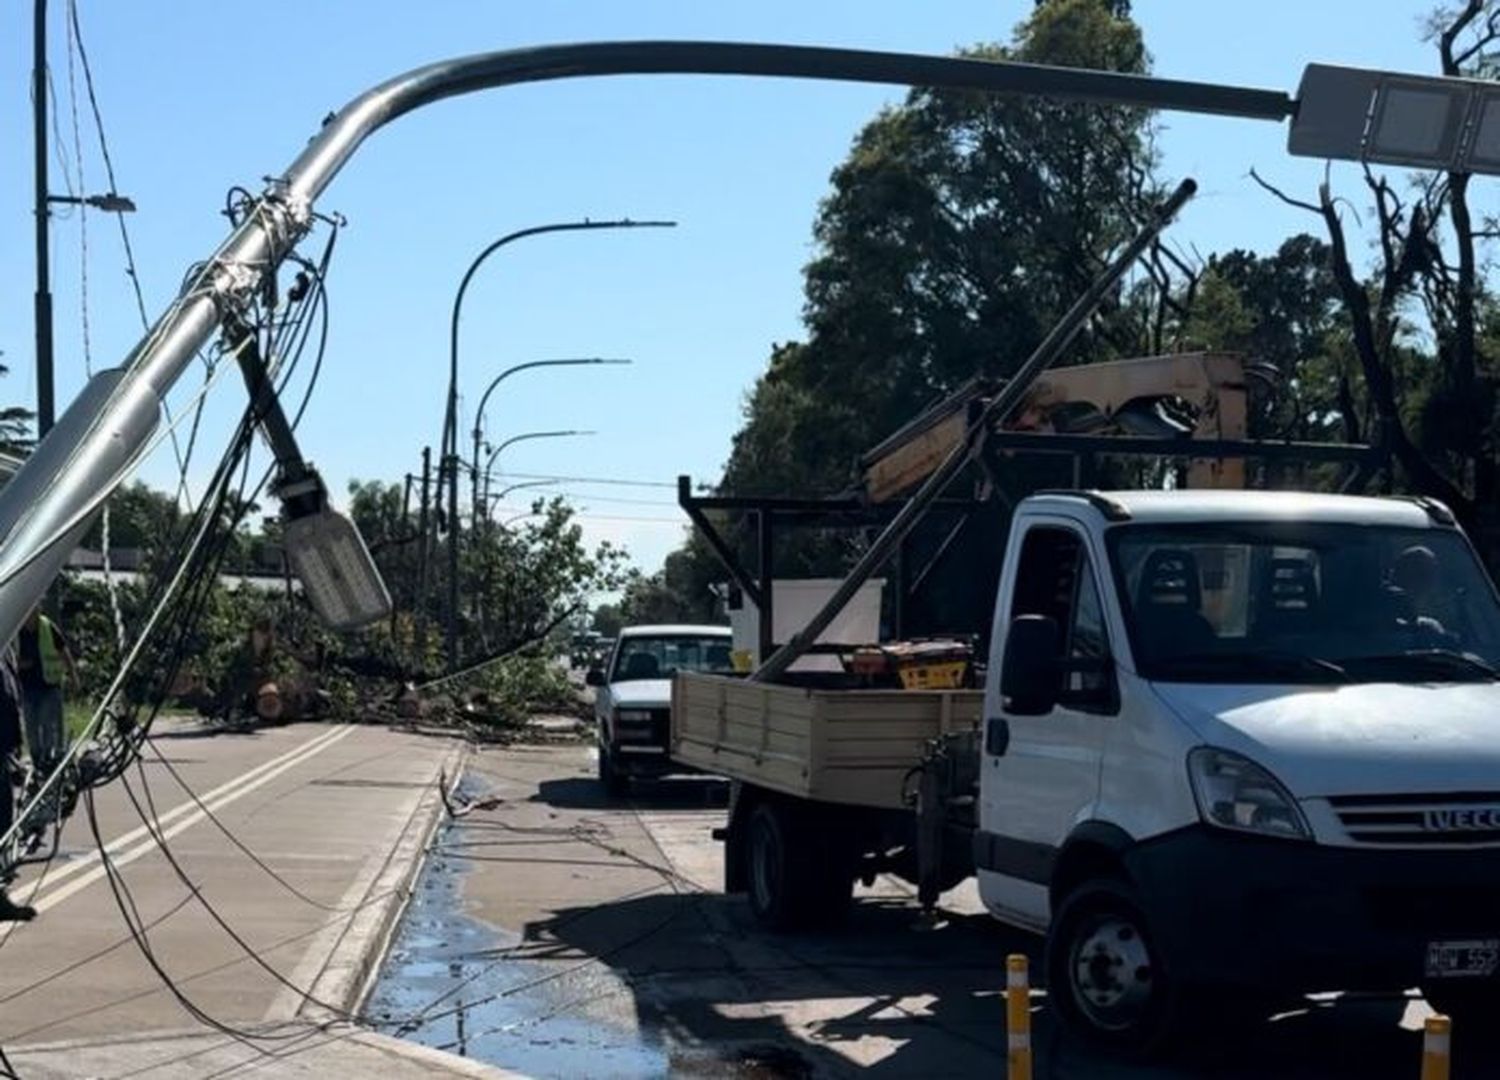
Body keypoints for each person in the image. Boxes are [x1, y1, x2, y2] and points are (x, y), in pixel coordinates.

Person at [16, 607, 77, 817]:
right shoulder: (17, 631)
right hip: (28, 688)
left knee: (48, 724)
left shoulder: (47, 627)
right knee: (31, 729)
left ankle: (50, 762)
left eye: (32, 613)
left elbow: (63, 651)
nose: (29, 618)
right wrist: (20, 665)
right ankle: (37, 762)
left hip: (49, 686)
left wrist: (73, 675)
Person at [0, 643, 36, 922]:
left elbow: (12, 702)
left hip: (4, 752)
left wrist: (16, 753)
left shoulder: (8, 646)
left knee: (3, 824)